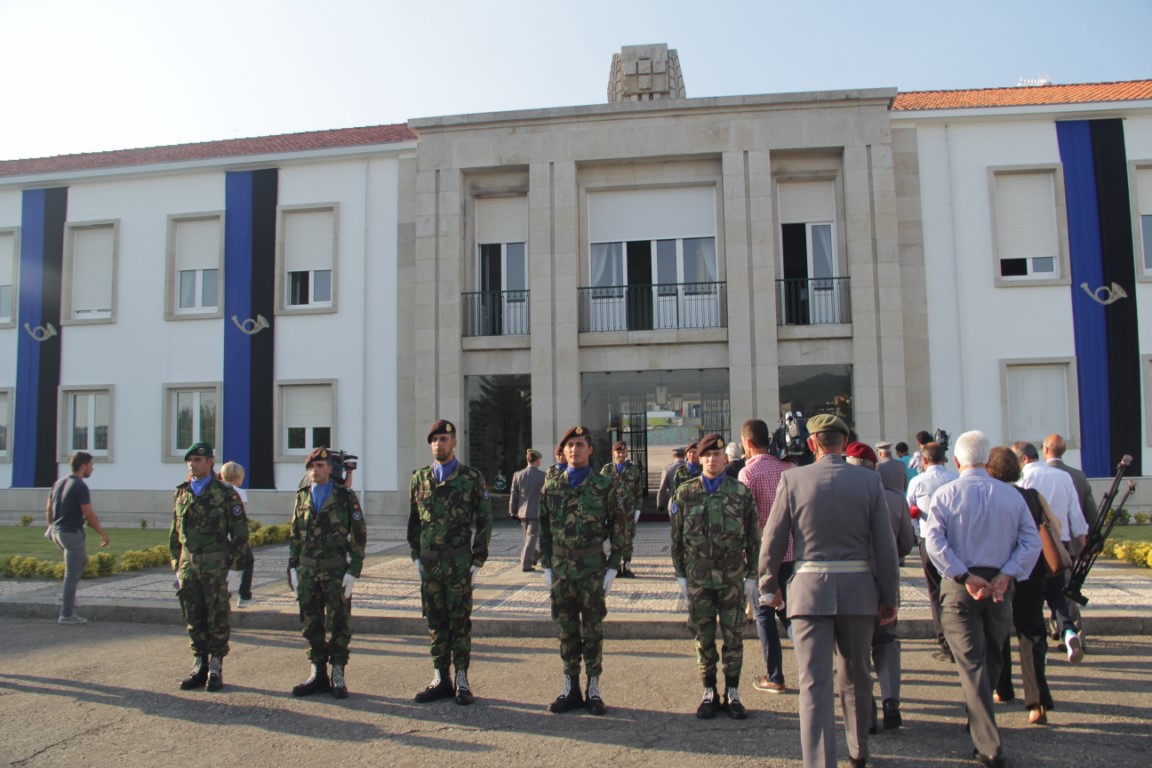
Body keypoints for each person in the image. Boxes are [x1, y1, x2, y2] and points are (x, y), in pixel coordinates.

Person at [759, 414, 900, 768]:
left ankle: (821, 762)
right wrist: (889, 598)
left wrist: (768, 586)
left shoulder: (793, 479)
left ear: (812, 443)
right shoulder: (870, 482)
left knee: (814, 685)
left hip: (808, 593)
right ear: (843, 440)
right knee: (856, 677)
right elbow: (885, 547)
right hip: (858, 593)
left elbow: (773, 541)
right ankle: (858, 749)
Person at [925, 431, 1042, 768]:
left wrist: (963, 574)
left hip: (965, 585)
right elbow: (1030, 542)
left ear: (958, 461)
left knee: (980, 663)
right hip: (998, 585)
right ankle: (987, 738)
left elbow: (934, 542)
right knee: (989, 657)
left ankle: (984, 732)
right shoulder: (1011, 496)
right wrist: (1007, 573)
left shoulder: (946, 494)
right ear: (987, 460)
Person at [670, 433, 759, 719]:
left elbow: (754, 539)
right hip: (698, 578)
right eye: (706, 455)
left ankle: (732, 692)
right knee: (703, 636)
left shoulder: (741, 492)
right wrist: (680, 574)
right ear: (699, 457)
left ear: (726, 458)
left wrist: (752, 576)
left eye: (717, 455)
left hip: (732, 576)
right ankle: (709, 690)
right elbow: (676, 539)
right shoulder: (686, 492)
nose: (711, 459)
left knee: (734, 637)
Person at [539, 425, 624, 716]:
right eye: (569, 445)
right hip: (562, 571)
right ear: (562, 451)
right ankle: (570, 686)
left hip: (591, 571)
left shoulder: (604, 486)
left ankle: (594, 688)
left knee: (593, 631)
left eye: (580, 444)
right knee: (566, 631)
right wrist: (546, 565)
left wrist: (614, 567)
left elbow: (618, 528)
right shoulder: (552, 486)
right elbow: (545, 530)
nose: (574, 449)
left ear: (590, 450)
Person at [408, 419, 493, 706]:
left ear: (454, 443)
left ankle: (461, 679)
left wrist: (478, 558)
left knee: (459, 622)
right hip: (430, 565)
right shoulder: (419, 478)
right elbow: (413, 522)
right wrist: (415, 555)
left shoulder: (470, 477)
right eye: (434, 440)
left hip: (458, 563)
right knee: (435, 622)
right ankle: (439, 677)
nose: (438, 444)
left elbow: (484, 520)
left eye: (444, 439)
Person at [845, 441, 915, 732]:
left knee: (856, 650)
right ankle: (891, 699)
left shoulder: (840, 496)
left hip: (853, 584)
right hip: (885, 580)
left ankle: (867, 713)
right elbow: (907, 544)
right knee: (886, 642)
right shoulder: (896, 498)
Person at [287, 448, 367, 700]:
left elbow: (358, 536)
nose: (315, 470)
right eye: (311, 467)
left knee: (339, 623)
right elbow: (294, 534)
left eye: (320, 466)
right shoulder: (302, 497)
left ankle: (338, 673)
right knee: (311, 623)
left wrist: (354, 570)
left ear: (330, 469)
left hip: (335, 569)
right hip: (308, 569)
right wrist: (292, 567)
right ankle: (317, 672)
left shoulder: (345, 496)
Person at [169, 442, 249, 692]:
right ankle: (199, 664)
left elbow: (239, 534)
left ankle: (215, 667)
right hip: (189, 567)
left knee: (217, 618)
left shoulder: (226, 493)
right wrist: (177, 566)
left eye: (198, 460)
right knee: (194, 618)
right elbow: (175, 535)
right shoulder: (182, 493)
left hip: (215, 566)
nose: (193, 464)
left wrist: (235, 569)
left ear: (210, 462)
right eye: (190, 460)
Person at [986, 447, 1055, 726]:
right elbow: (1055, 526)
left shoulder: (990, 495)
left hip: (999, 567)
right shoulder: (1032, 495)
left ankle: (1003, 688)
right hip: (1031, 567)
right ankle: (1036, 700)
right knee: (1031, 633)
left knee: (998, 629)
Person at [1012, 441, 1087, 663]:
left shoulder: (1024, 480)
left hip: (1032, 546)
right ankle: (1069, 631)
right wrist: (1080, 542)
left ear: (1024, 459)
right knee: (1057, 596)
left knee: (1032, 600)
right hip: (1058, 544)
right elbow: (1075, 512)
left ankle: (1038, 649)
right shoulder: (1063, 477)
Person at [736, 418, 794, 695]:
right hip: (793, 551)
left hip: (762, 555)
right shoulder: (789, 468)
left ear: (747, 443)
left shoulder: (748, 474)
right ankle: (813, 666)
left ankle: (775, 675)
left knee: (765, 615)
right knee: (790, 613)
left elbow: (747, 519)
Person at [45, 451, 110, 625]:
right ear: (83, 466)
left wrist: (50, 527)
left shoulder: (58, 483)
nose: (92, 469)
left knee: (81, 562)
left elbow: (49, 508)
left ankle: (69, 598)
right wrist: (102, 534)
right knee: (72, 574)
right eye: (91, 465)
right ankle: (66, 614)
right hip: (71, 533)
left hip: (59, 532)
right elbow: (89, 514)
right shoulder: (80, 486)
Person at [601, 441, 643, 578]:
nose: (621, 455)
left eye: (623, 452)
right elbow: (601, 491)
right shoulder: (607, 470)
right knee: (614, 539)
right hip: (612, 510)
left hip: (628, 510)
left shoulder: (633, 469)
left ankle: (627, 566)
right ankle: (615, 567)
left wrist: (638, 509)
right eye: (618, 452)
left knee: (628, 539)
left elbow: (638, 491)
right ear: (613, 453)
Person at [1042, 433, 1097, 531]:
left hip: (1047, 536)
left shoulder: (1038, 476)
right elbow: (1090, 510)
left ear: (1046, 449)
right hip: (1074, 537)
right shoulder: (1079, 476)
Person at [218, 462, 254, 609]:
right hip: (235, 536)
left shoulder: (217, 491)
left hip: (221, 536)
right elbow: (240, 517)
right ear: (238, 477)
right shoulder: (239, 492)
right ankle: (244, 595)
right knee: (248, 562)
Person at [509, 449, 546, 572]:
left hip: (522, 511)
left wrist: (512, 511)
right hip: (536, 510)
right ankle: (526, 563)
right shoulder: (543, 476)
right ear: (537, 461)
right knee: (531, 538)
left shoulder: (518, 474)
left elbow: (513, 494)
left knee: (527, 538)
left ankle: (535, 555)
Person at [656, 446, 686, 516]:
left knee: (675, 525)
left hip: (674, 502)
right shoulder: (689, 467)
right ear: (685, 456)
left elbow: (662, 489)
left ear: (673, 456)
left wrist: (660, 504)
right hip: (689, 503)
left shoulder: (668, 469)